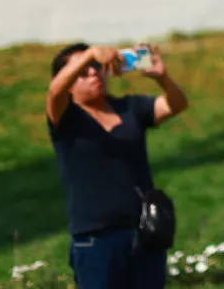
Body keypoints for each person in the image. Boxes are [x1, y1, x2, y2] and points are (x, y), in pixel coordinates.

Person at [47, 42, 189, 288]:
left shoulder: (130, 108)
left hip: (144, 233)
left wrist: (162, 77)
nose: (93, 73)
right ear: (69, 83)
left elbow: (175, 104)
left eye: (96, 68)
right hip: (95, 240)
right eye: (83, 71)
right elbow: (54, 92)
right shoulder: (66, 118)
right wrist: (90, 54)